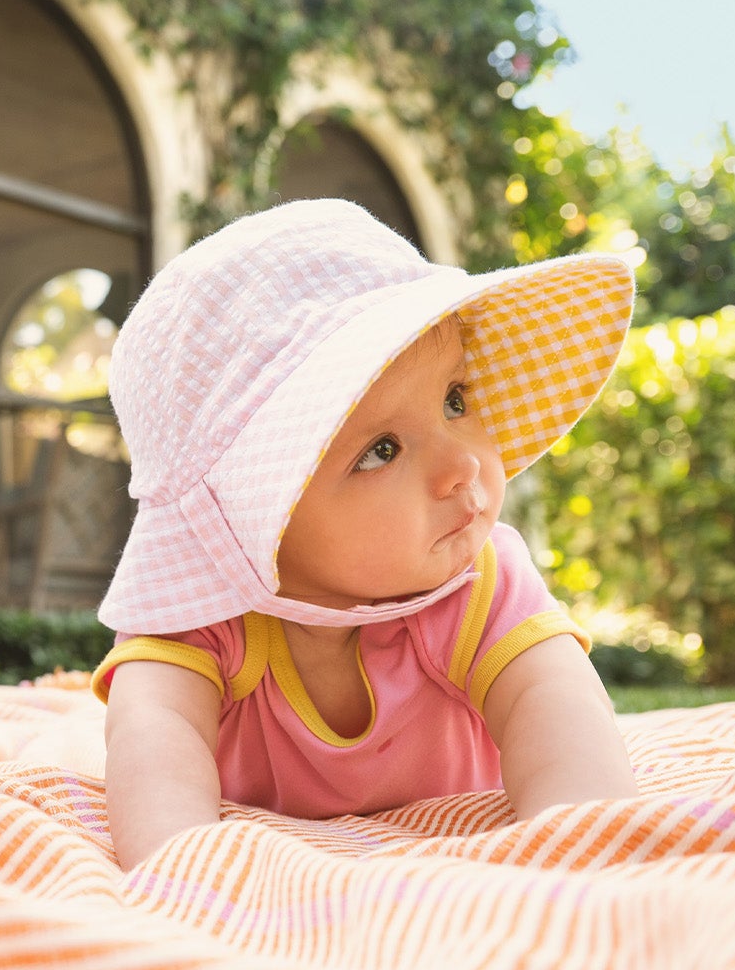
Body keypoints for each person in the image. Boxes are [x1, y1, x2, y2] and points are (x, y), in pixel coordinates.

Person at [92, 199, 639, 869]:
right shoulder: (197, 616)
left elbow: (555, 708)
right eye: (382, 449)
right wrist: (181, 870)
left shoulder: (478, 580)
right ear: (261, 511)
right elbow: (154, 741)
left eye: (455, 400)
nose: (463, 463)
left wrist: (584, 853)